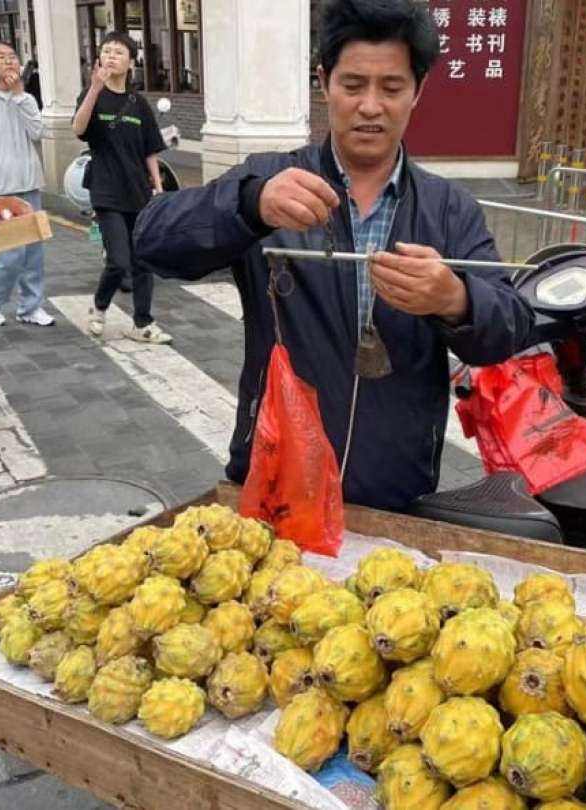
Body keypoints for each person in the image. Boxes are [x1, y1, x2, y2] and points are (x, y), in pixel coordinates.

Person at [134, 0, 533, 512]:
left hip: (398, 487)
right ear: (323, 82)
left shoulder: (448, 209)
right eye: (352, 85)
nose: (371, 106)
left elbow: (509, 327)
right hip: (276, 479)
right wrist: (249, 204)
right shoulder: (273, 179)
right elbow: (151, 241)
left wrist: (456, 298)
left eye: (391, 88)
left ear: (418, 90)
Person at [73, 31, 170, 343]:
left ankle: (142, 323)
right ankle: (99, 308)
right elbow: (78, 128)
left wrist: (158, 188)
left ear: (131, 61)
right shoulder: (93, 95)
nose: (111, 56)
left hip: (138, 192)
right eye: (106, 51)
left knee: (143, 261)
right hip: (106, 191)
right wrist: (94, 89)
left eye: (118, 52)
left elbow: (149, 150)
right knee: (118, 261)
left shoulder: (138, 104)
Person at [0, 40, 54, 327]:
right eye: (1, 57)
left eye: (13, 57)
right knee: (10, 253)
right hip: (1, 188)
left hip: (29, 182)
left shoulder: (23, 99)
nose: (9, 62)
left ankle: (31, 306)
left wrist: (20, 96)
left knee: (34, 252)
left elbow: (38, 131)